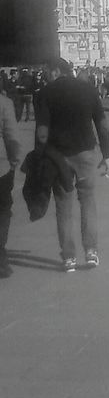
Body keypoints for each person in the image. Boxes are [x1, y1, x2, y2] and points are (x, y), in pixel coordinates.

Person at [35, 57, 109, 272]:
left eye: (48, 71)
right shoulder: (88, 89)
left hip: (58, 156)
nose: (47, 75)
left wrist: (39, 157)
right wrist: (107, 154)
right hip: (86, 152)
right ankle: (91, 251)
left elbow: (42, 131)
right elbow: (102, 125)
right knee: (87, 201)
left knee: (63, 205)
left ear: (56, 70)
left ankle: (68, 257)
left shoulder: (46, 93)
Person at [0, 90, 21, 277]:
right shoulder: (4, 103)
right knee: (3, 211)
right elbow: (11, 137)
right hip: (1, 169)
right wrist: (14, 162)